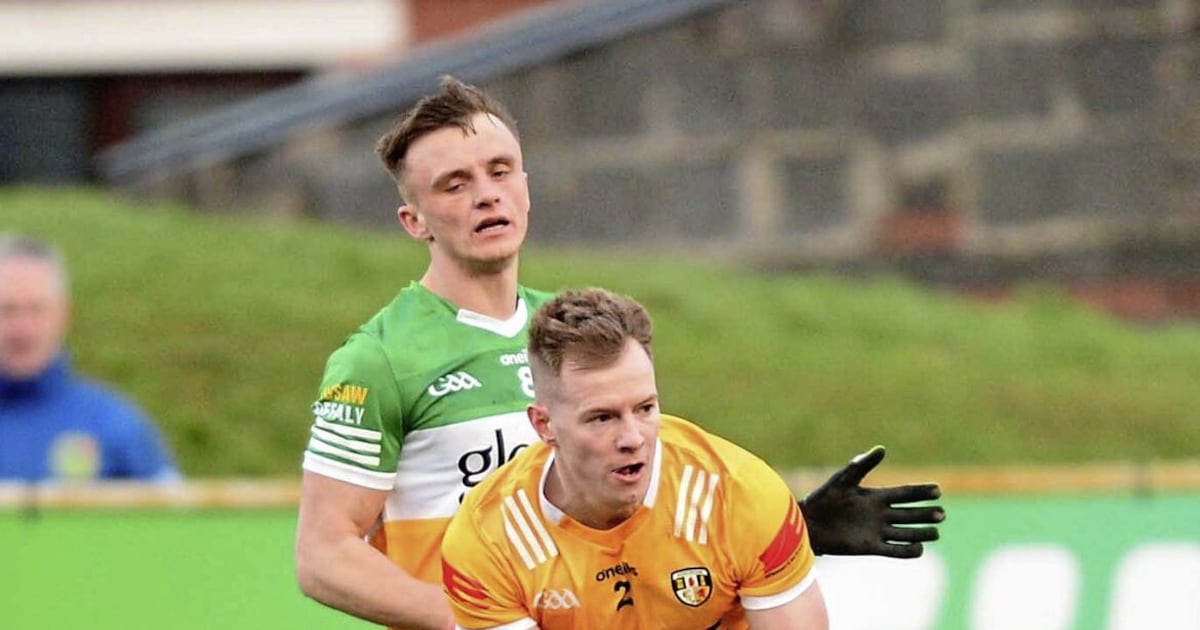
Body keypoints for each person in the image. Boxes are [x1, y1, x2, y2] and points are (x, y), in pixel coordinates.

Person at [295, 76, 941, 630]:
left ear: (526, 185)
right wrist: (481, 616)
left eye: (499, 171)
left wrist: (786, 531)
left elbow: (643, 517)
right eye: (454, 185)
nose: (486, 194)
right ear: (414, 221)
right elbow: (323, 558)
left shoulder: (575, 339)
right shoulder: (378, 360)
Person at [442, 287, 829, 629]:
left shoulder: (740, 497)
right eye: (602, 418)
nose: (632, 438)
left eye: (645, 409)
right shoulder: (488, 541)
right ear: (544, 425)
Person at [0, 234, 180, 483]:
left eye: (36, 310)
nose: (22, 328)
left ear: (63, 314)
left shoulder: (116, 425)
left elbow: (174, 506)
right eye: (7, 310)